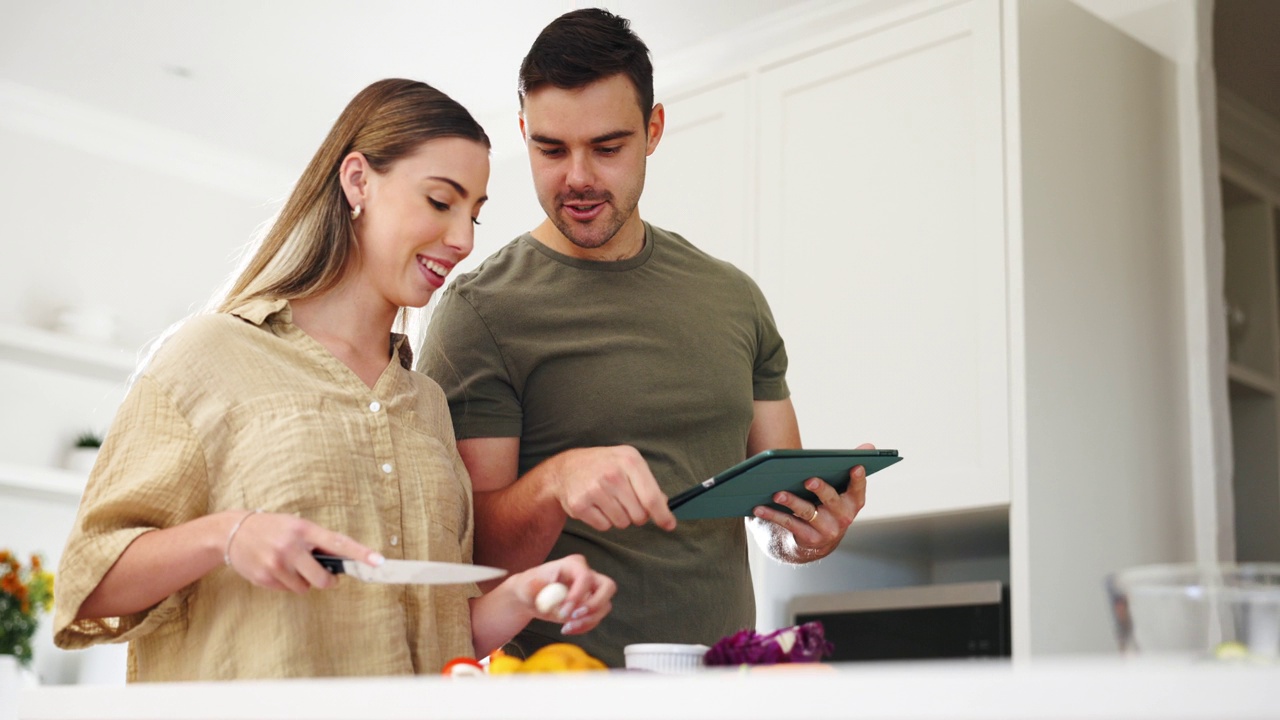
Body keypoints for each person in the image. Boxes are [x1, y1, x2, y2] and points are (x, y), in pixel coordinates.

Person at [52, 78, 615, 682]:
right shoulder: (209, 356)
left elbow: (437, 628)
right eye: (439, 201)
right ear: (357, 181)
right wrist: (228, 535)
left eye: (474, 214)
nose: (463, 240)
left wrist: (523, 598)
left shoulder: (424, 402)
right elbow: (86, 585)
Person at [418, 10, 870, 669]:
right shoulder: (480, 310)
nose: (576, 177)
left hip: (724, 687)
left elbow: (776, 515)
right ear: (523, 134)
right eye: (550, 149)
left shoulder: (733, 299)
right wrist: (554, 482)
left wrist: (806, 537)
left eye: (607, 147)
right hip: (560, 691)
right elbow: (473, 565)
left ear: (653, 130)